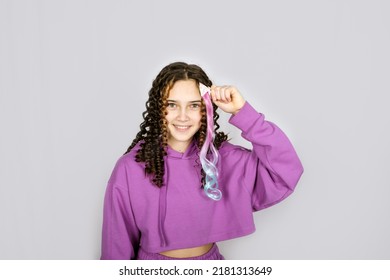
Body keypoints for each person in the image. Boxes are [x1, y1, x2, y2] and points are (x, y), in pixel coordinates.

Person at [100, 62, 304, 260]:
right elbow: (115, 247)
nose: (182, 116)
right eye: (172, 105)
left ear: (205, 110)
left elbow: (286, 171)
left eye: (193, 105)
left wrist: (242, 112)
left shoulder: (224, 158)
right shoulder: (131, 167)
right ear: (158, 108)